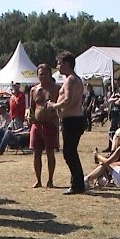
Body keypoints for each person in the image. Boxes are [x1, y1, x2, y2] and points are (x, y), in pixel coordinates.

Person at [47, 51, 85, 195]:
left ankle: (77, 185)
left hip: (72, 120)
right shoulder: (76, 79)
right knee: (71, 152)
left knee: (69, 153)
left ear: (67, 64)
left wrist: (54, 106)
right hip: (74, 119)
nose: (57, 66)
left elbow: (68, 100)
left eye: (59, 63)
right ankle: (77, 183)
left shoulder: (70, 80)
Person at [29, 64, 60, 188]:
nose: (42, 76)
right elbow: (32, 107)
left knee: (50, 153)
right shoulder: (34, 90)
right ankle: (38, 180)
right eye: (40, 74)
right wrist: (30, 117)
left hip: (50, 124)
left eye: (45, 74)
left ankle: (50, 180)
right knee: (36, 153)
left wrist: (57, 118)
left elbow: (61, 105)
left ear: (50, 74)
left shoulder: (56, 88)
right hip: (36, 125)